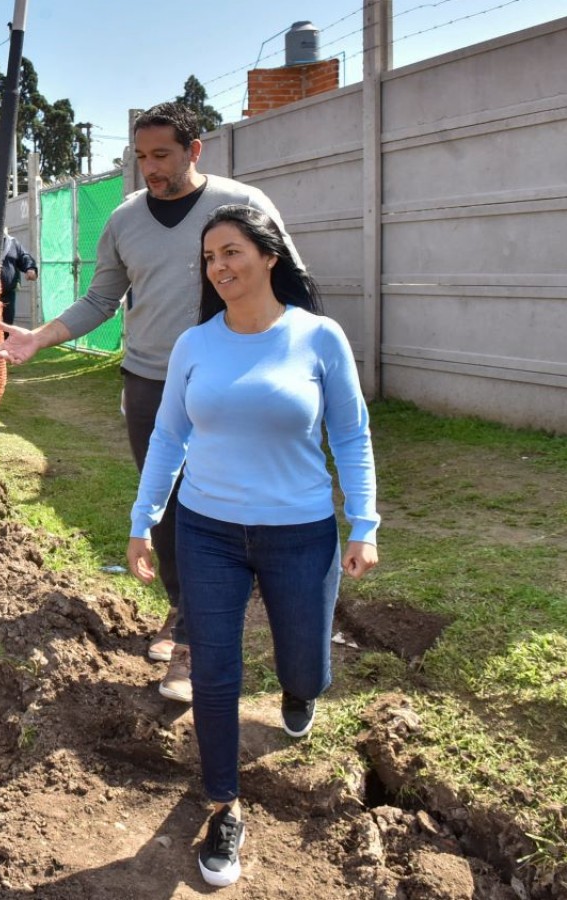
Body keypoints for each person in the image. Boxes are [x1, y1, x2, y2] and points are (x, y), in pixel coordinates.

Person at [0, 102, 299, 704]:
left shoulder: (243, 207)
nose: (151, 169)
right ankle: (186, 612)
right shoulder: (126, 220)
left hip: (233, 381)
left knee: (216, 507)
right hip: (151, 382)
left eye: (163, 155)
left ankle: (195, 645)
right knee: (173, 509)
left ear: (194, 150)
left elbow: (292, 285)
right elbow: (101, 299)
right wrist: (38, 338)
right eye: (142, 157)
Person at [126, 204, 378, 888]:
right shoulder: (195, 345)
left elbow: (350, 436)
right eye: (210, 259)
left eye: (231, 252)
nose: (219, 267)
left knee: (305, 665)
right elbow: (169, 438)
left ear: (269, 255)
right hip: (206, 530)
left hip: (300, 532)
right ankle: (223, 806)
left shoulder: (318, 338)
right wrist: (143, 519)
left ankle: (301, 692)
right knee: (214, 670)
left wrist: (364, 523)